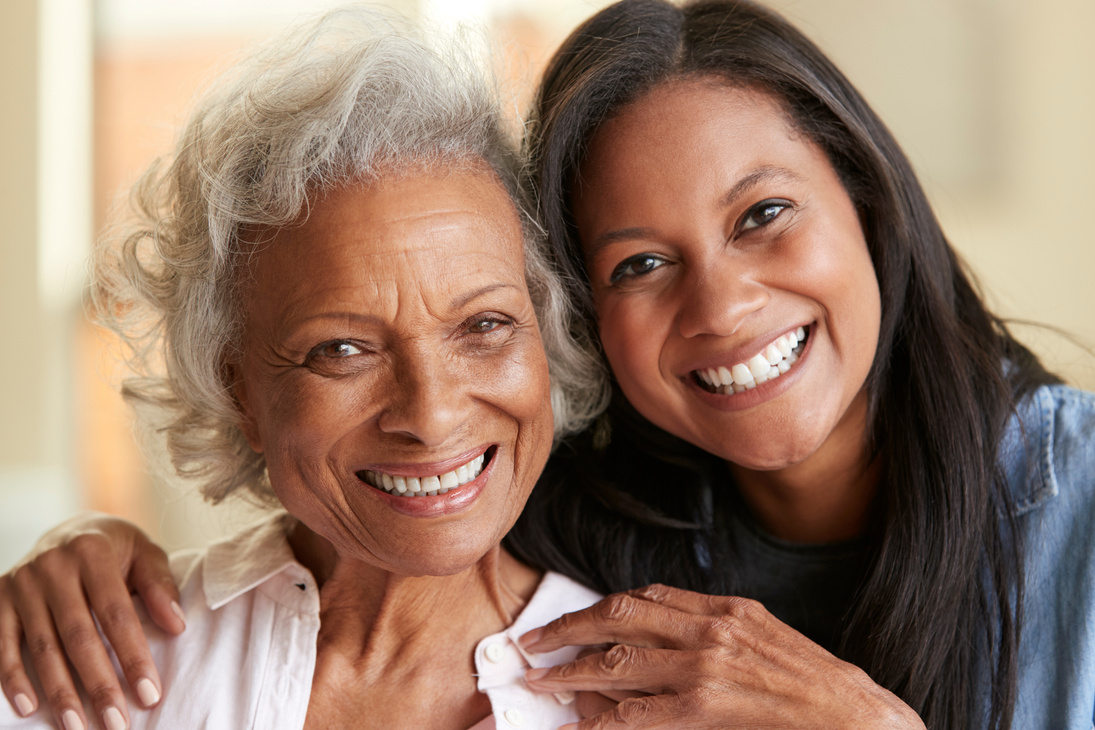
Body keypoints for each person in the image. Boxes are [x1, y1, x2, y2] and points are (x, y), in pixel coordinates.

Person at [4, 0, 1094, 728]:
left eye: (764, 214)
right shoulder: (590, 528)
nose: (721, 304)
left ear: (870, 198)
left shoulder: (1072, 504)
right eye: (641, 263)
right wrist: (74, 547)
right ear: (582, 321)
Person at [0, 7, 616, 730]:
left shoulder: (657, 694)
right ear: (239, 393)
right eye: (342, 350)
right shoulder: (89, 667)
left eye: (485, 325)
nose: (431, 415)